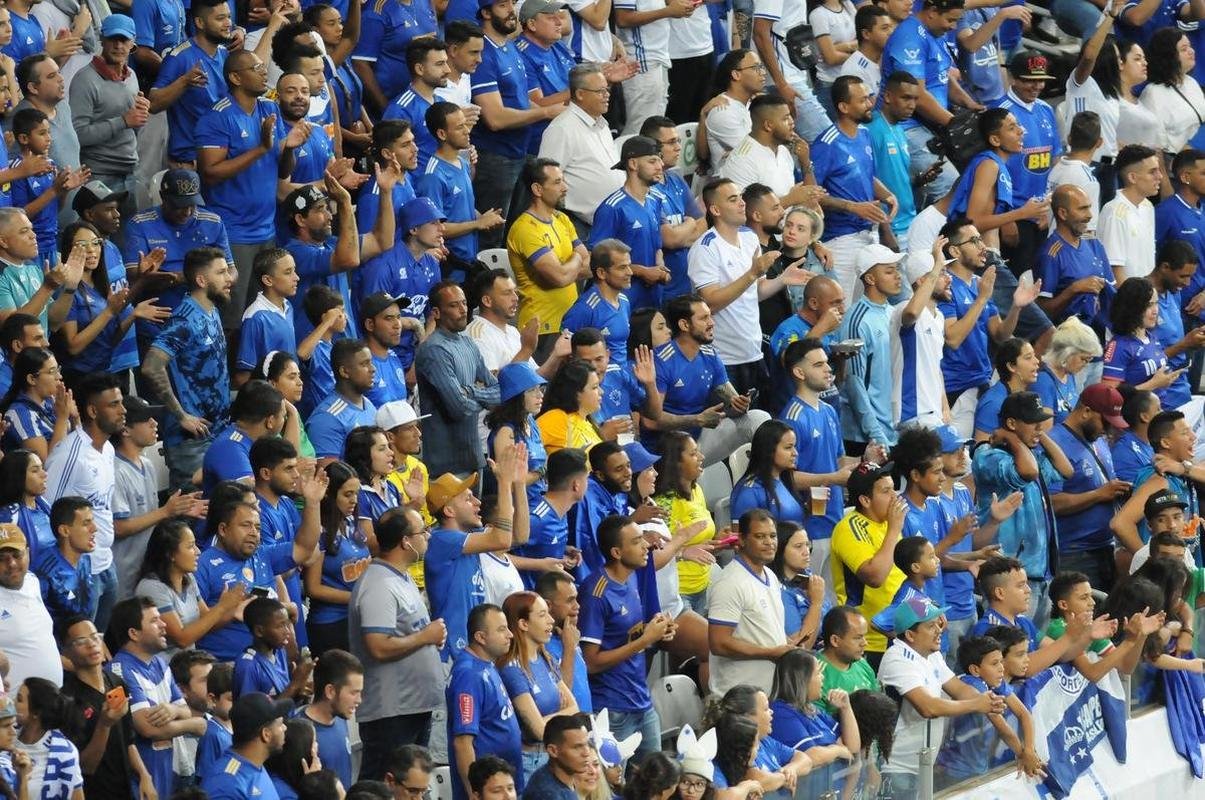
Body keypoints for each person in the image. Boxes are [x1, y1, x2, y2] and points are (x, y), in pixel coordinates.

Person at [194, 49, 310, 331]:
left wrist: (289, 148)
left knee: (264, 312)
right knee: (234, 318)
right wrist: (261, 148)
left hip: (267, 230)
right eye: (256, 68)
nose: (263, 72)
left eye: (262, 67)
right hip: (233, 232)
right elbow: (209, 173)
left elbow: (283, 170)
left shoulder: (269, 109)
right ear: (235, 77)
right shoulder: (217, 117)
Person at [689, 177, 810, 400]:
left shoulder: (749, 238)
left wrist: (782, 279)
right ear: (715, 209)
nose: (742, 203)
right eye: (733, 199)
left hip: (753, 350)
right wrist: (752, 273)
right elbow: (710, 303)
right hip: (723, 357)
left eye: (741, 198)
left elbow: (756, 291)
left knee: (759, 422)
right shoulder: (705, 248)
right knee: (729, 428)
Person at [349, 508, 444, 778]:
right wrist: (425, 637)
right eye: (422, 531)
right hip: (391, 713)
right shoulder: (378, 584)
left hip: (413, 706)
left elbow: (409, 633)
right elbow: (378, 645)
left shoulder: (401, 577)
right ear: (405, 541)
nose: (428, 536)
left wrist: (428, 639)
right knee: (383, 788)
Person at [877, 596, 1004, 798]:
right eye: (931, 626)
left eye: (939, 623)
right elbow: (928, 708)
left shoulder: (931, 654)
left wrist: (987, 701)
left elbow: (959, 689)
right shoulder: (897, 659)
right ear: (910, 634)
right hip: (897, 767)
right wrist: (975, 704)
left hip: (924, 764)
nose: (940, 630)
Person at [195, 474, 324, 661]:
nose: (254, 533)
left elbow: (304, 548)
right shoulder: (202, 565)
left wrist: (312, 503)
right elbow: (194, 627)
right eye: (246, 526)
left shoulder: (263, 554)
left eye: (257, 527)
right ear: (223, 529)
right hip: (227, 670)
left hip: (272, 665)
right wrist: (231, 611)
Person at [938, 217, 1041, 438]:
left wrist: (1016, 307)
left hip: (983, 381)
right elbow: (952, 338)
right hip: (956, 386)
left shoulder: (979, 283)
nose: (983, 246)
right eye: (974, 241)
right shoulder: (944, 285)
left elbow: (1000, 335)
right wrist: (982, 299)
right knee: (964, 455)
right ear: (955, 251)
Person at [140, 247, 233, 490]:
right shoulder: (185, 319)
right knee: (189, 515)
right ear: (202, 280)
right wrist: (181, 415)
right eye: (221, 273)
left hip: (217, 431)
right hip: (191, 441)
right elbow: (151, 366)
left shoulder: (212, 309)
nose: (229, 278)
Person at [426, 441, 529, 658]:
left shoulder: (469, 539)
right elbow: (502, 539)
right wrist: (503, 482)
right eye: (467, 498)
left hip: (473, 651)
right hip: (451, 653)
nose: (477, 502)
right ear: (449, 510)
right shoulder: (442, 540)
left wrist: (518, 485)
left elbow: (518, 536)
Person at [579, 515, 669, 754]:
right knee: (616, 784)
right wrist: (645, 640)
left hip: (641, 700)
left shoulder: (631, 579)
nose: (646, 546)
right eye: (637, 541)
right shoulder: (595, 594)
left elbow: (630, 634)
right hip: (612, 709)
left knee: (654, 783)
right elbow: (590, 663)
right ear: (617, 552)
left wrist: (659, 631)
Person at [44, 372, 125, 631]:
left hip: (105, 563)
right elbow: (47, 508)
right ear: (92, 410)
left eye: (121, 402)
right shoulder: (71, 455)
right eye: (113, 404)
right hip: (79, 573)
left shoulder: (109, 450)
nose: (123, 410)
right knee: (79, 646)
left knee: (99, 641)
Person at [653, 293, 770, 466]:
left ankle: (762, 485)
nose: (712, 323)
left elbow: (732, 403)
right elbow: (651, 421)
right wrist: (695, 419)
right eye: (704, 318)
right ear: (684, 324)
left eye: (710, 316)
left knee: (759, 419)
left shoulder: (710, 355)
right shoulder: (661, 361)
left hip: (700, 436)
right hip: (668, 446)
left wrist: (739, 405)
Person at [108, 597, 207, 798]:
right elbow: (147, 727)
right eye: (154, 621)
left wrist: (173, 710)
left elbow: (185, 710)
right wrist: (194, 725)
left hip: (167, 771)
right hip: (139, 779)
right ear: (133, 633)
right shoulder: (116, 671)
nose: (163, 625)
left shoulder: (161, 663)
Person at [879, 0, 969, 205]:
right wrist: (956, 125)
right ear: (932, 12)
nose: (953, 27)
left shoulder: (934, 33)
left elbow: (942, 77)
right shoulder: (910, 36)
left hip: (930, 126)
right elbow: (915, 95)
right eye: (950, 20)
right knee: (949, 188)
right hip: (906, 128)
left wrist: (970, 105)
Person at [59, 615, 156, 799]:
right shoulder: (67, 699)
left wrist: (144, 775)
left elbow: (128, 741)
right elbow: (86, 766)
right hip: (94, 792)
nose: (92, 644)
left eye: (95, 637)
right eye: (81, 641)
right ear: (66, 652)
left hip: (125, 788)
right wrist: (104, 724)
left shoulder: (116, 681)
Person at [1048, 384, 1133, 590]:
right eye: (1105, 421)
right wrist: (1098, 495)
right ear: (1086, 411)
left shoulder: (1099, 440)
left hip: (1105, 548)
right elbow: (1051, 503)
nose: (1108, 429)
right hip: (1073, 553)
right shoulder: (1054, 442)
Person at [415, 282, 501, 478]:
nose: (463, 310)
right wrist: (480, 395)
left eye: (464, 303)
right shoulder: (434, 350)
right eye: (454, 305)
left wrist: (470, 391)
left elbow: (499, 391)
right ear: (436, 313)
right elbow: (458, 408)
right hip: (446, 466)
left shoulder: (468, 343)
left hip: (473, 457)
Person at [934, 635, 1044, 783]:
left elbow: (1023, 713)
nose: (1001, 668)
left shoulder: (994, 681)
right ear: (975, 669)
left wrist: (1029, 750)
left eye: (1001, 662)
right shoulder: (973, 685)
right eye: (994, 663)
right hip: (955, 771)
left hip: (978, 768)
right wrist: (1023, 755)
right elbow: (1003, 729)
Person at [708, 508, 795, 696]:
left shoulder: (770, 575)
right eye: (760, 536)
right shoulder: (730, 582)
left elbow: (766, 629)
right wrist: (770, 652)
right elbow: (718, 643)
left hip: (766, 694)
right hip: (737, 699)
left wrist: (788, 646)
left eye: (773, 536)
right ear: (742, 539)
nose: (769, 542)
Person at [830, 461, 906, 667]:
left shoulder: (888, 523)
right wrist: (893, 530)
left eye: (894, 489)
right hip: (869, 643)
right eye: (886, 491)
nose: (895, 497)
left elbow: (903, 579)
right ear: (865, 500)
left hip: (899, 635)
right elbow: (875, 577)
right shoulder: (850, 527)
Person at [135, 517, 247, 657]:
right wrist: (222, 607)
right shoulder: (152, 587)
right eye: (190, 546)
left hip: (188, 666)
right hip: (163, 669)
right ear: (170, 554)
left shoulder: (188, 579)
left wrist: (236, 609)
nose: (198, 551)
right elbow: (181, 639)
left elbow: (207, 620)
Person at [67, 16, 146, 210]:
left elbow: (131, 124)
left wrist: (140, 113)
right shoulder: (85, 80)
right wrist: (123, 121)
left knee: (126, 237)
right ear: (102, 39)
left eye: (124, 40)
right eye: (113, 39)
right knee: (101, 236)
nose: (118, 45)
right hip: (99, 175)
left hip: (129, 171)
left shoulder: (131, 77)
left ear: (133, 41)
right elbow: (78, 134)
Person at [499, 592, 578, 783]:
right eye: (542, 615)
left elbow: (575, 708)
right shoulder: (512, 669)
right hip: (530, 763)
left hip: (551, 757)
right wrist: (560, 714)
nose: (551, 620)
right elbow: (539, 731)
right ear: (523, 624)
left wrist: (547, 720)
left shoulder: (545, 658)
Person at [448, 603, 524, 800]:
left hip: (502, 787)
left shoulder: (485, 665)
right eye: (501, 629)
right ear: (480, 637)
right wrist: (472, 793)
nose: (510, 635)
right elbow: (463, 742)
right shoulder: (469, 675)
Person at [536, 63, 623, 232]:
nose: (607, 95)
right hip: (579, 227)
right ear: (580, 94)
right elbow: (544, 182)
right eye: (600, 91)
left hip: (612, 223)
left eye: (607, 89)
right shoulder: (561, 129)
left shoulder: (602, 124)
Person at [419, 101, 502, 276]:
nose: (467, 131)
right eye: (459, 127)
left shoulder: (463, 163)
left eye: (466, 124)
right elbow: (434, 228)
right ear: (442, 134)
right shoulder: (433, 176)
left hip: (469, 260)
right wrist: (478, 224)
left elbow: (458, 205)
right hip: (450, 265)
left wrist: (485, 217)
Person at [589, 137, 668, 313]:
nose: (660, 165)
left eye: (660, 159)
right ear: (632, 164)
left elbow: (657, 246)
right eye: (653, 161)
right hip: (622, 304)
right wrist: (642, 271)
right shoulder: (612, 208)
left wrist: (660, 267)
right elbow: (596, 262)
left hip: (653, 300)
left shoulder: (655, 200)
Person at [839, 244, 903, 453]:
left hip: (893, 430)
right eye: (889, 271)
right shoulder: (857, 320)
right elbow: (854, 383)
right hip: (866, 436)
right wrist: (875, 434)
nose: (898, 276)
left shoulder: (893, 312)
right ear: (870, 279)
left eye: (897, 269)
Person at [1036, 185, 1114, 331]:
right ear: (1063, 213)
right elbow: (1042, 312)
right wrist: (1073, 289)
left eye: (1089, 208)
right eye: (1082, 209)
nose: (1090, 215)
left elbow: (1112, 292)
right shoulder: (1050, 253)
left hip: (1101, 334)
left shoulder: (1094, 244)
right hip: (1068, 338)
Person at [199, 692, 290, 799]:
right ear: (266, 734)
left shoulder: (255, 764)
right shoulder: (226, 786)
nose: (285, 728)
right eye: (280, 724)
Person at [561, 240, 633, 367]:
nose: (630, 272)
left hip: (622, 378)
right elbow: (564, 355)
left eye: (629, 266)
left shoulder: (624, 301)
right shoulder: (585, 309)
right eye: (622, 267)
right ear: (601, 273)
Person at [11, 678, 84, 800]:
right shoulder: (6, 737)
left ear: (36, 713)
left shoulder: (65, 753)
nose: (13, 702)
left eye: (19, 699)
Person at [307, 338, 378, 462]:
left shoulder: (369, 404)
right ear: (344, 371)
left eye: (370, 362)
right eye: (364, 364)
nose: (373, 369)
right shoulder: (327, 418)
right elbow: (330, 475)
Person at [1098, 144, 1160, 284]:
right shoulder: (1114, 212)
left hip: (1147, 295)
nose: (1160, 176)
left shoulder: (1147, 206)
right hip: (1128, 300)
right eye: (1152, 172)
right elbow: (1115, 270)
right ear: (1132, 177)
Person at [1140, 27, 1205, 154]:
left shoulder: (1191, 82)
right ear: (1168, 56)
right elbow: (1157, 144)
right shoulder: (1153, 93)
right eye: (1184, 49)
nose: (1191, 51)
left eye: (1190, 46)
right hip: (1179, 163)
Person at [1032, 317, 1102, 423]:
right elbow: (1044, 432)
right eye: (1083, 359)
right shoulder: (1043, 382)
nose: (1086, 365)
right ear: (1067, 353)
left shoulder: (1069, 376)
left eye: (1089, 360)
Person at [972, 337, 1041, 441]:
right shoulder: (993, 403)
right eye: (1028, 357)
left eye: (1034, 356)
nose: (1036, 361)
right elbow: (981, 449)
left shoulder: (1025, 396)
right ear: (1011, 366)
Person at [537, 359, 604, 455]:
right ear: (576, 393)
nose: (601, 392)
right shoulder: (556, 418)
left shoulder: (586, 420)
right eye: (594, 387)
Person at [1111, 388, 1161, 483]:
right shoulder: (1123, 451)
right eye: (1158, 409)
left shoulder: (1151, 444)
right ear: (1144, 417)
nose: (1163, 412)